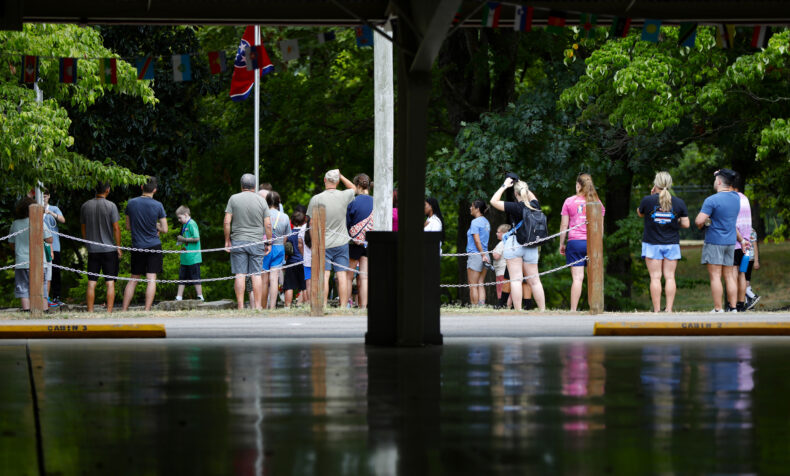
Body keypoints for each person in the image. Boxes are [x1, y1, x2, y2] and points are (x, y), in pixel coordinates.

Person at [636, 172, 690, 313]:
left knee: (655, 277)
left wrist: (651, 195)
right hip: (671, 244)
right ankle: (669, 309)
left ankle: (656, 310)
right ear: (670, 184)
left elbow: (640, 213)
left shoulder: (647, 200)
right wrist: (673, 220)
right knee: (670, 277)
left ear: (655, 184)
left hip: (652, 244)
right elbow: (686, 224)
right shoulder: (679, 202)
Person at [490, 178, 546, 311]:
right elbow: (532, 196)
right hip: (531, 245)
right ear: (526, 191)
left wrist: (505, 185)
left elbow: (493, 201)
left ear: (516, 193)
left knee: (516, 280)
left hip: (515, 244)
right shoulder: (535, 205)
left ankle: (518, 310)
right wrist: (521, 183)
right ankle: (542, 310)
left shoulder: (515, 207)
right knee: (535, 280)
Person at [694, 168, 745, 313]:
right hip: (730, 242)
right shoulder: (736, 198)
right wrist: (719, 172)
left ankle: (718, 309)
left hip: (715, 241)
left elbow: (699, 221)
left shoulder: (711, 200)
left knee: (715, 276)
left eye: (716, 179)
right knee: (729, 275)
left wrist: (705, 221)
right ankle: (733, 308)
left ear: (719, 182)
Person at [307, 169, 356, 307]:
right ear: (338, 181)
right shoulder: (344, 196)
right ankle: (343, 306)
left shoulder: (316, 199)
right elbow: (353, 188)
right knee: (342, 276)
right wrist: (342, 176)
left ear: (324, 180)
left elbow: (312, 223)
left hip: (323, 243)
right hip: (341, 242)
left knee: (324, 276)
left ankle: (322, 305)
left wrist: (314, 242)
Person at [558, 173, 605, 312]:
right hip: (592, 243)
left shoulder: (569, 201)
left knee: (578, 278)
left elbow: (563, 226)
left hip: (575, 242)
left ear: (578, 185)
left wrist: (562, 243)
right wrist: (598, 244)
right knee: (594, 277)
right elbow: (600, 227)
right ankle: (595, 307)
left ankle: (573, 310)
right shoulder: (597, 201)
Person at [224, 173, 272, 310]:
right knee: (256, 274)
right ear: (254, 186)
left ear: (241, 185)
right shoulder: (261, 201)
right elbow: (268, 225)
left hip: (238, 240)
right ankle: (257, 306)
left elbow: (227, 221)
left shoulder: (233, 199)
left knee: (240, 274)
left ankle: (240, 306)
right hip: (256, 241)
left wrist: (227, 240)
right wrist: (268, 242)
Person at [122, 176, 168, 311]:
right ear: (155, 190)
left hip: (137, 245)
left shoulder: (131, 203)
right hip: (154, 245)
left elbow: (128, 226)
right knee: (151, 278)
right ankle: (147, 310)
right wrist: (155, 225)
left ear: (141, 187)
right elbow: (165, 229)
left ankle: (124, 309)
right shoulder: (158, 205)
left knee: (133, 278)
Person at [80, 182, 122, 312]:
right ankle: (109, 311)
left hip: (93, 249)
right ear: (108, 190)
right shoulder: (111, 206)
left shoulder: (85, 206)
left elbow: (83, 227)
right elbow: (116, 228)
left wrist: (88, 243)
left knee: (91, 282)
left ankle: (90, 310)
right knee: (110, 282)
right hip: (109, 249)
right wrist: (118, 247)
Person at [8, 197, 53, 311]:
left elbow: (11, 243)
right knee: (41, 285)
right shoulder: (38, 222)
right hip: (39, 260)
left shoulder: (15, 224)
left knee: (22, 286)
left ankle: (26, 309)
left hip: (21, 261)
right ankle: (44, 309)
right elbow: (49, 239)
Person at [347, 174, 373, 308]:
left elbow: (347, 223)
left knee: (348, 276)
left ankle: (345, 305)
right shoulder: (376, 202)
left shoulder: (353, 202)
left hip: (354, 242)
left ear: (357, 185)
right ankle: (364, 306)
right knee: (364, 277)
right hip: (369, 243)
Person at [732, 173, 758, 312]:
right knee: (742, 274)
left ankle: (733, 305)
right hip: (746, 244)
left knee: (733, 274)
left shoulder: (733, 199)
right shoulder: (745, 199)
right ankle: (741, 304)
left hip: (736, 242)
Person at [262, 191, 289, 309]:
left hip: (265, 247)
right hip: (279, 247)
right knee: (274, 279)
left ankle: (262, 306)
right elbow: (286, 236)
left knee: (264, 279)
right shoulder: (285, 217)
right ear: (279, 202)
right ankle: (272, 307)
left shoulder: (263, 214)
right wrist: (281, 246)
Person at [175, 205, 203, 302]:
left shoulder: (192, 224)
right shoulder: (184, 225)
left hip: (193, 257)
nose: (179, 220)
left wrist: (184, 239)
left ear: (186, 215)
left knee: (196, 277)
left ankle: (200, 296)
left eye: (180, 217)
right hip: (185, 257)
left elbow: (196, 238)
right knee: (181, 277)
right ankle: (179, 297)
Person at [465, 199, 490, 306]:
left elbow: (476, 239)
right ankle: (482, 308)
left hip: (477, 255)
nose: (470, 208)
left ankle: (475, 308)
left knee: (473, 285)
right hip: (485, 255)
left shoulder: (475, 222)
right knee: (480, 283)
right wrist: (484, 255)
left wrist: (482, 254)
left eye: (472, 206)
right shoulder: (486, 222)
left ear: (477, 209)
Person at [42, 189, 65, 304]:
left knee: (55, 272)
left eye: (45, 196)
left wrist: (50, 213)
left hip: (54, 246)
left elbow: (62, 220)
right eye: (42, 196)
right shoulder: (35, 209)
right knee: (42, 273)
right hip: (39, 247)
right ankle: (43, 298)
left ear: (49, 196)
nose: (44, 198)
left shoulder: (54, 208)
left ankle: (56, 297)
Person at [283, 210, 306, 307]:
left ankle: (287, 306)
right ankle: (300, 303)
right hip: (303, 262)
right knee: (304, 286)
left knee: (289, 286)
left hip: (291, 262)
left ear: (291, 222)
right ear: (304, 221)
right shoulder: (305, 232)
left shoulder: (289, 234)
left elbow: (285, 248)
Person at [490, 224, 511, 309]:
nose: (496, 233)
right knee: (509, 289)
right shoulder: (510, 242)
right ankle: (509, 305)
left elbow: (496, 256)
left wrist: (493, 251)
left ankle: (501, 305)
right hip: (507, 269)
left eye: (498, 232)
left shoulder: (502, 243)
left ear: (504, 233)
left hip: (501, 271)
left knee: (500, 289)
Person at [299, 214, 312, 304]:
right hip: (320, 260)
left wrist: (304, 254)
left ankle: (310, 302)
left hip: (307, 260)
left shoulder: (303, 227)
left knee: (309, 282)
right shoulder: (321, 225)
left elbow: (300, 244)